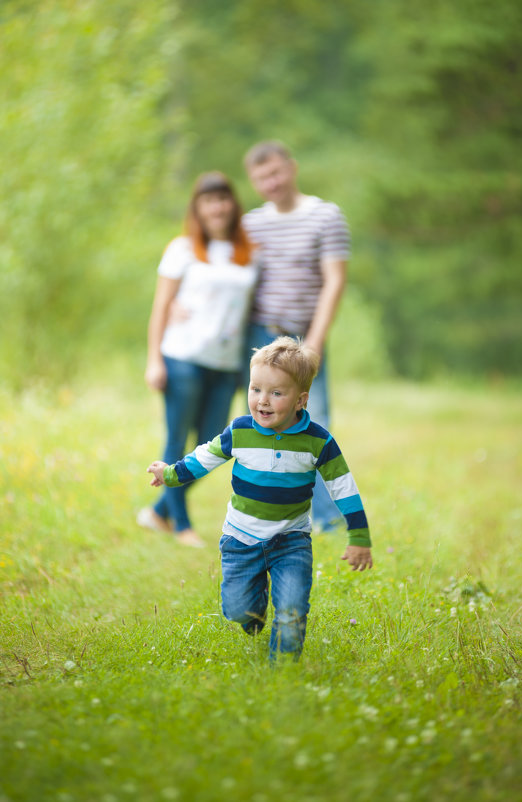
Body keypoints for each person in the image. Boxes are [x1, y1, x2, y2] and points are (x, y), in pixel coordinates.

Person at [146, 337, 372, 660]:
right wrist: (170, 474)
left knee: (292, 609)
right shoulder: (240, 432)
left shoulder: (318, 442)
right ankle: (255, 607)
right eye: (255, 390)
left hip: (291, 541)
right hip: (241, 539)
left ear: (300, 400)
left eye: (276, 393)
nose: (262, 401)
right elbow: (204, 457)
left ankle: (282, 672)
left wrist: (359, 536)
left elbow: (343, 487)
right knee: (239, 610)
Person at [137, 172, 258, 547]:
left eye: (223, 198)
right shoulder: (183, 248)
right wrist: (154, 360)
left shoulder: (249, 252)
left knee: (213, 446)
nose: (217, 206)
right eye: (209, 200)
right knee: (177, 441)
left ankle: (158, 512)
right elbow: (160, 307)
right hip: (183, 357)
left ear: (233, 204)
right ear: (198, 208)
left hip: (225, 364)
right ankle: (182, 526)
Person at [242, 140, 350, 532]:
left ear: (292, 168)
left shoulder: (325, 216)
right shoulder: (252, 223)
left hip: (304, 334)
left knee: (314, 420)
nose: (270, 183)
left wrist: (315, 342)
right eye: (260, 178)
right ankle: (271, 511)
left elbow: (335, 280)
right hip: (258, 336)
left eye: (275, 173)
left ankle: (326, 518)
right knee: (264, 421)